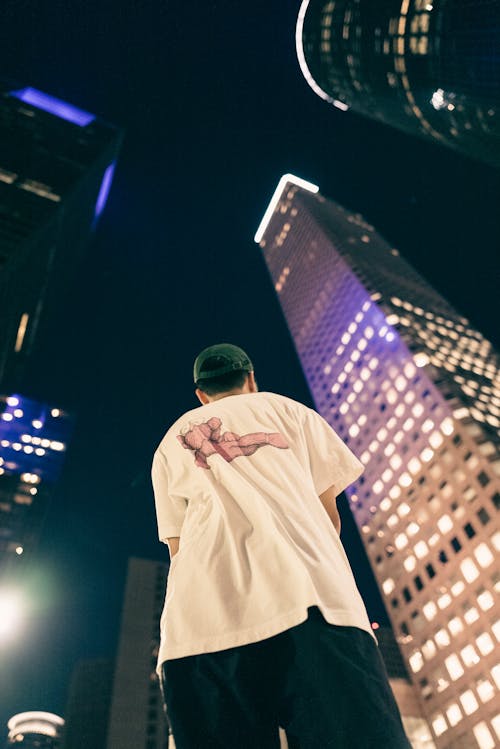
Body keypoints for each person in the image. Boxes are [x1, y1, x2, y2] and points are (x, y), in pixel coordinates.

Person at [152, 343, 411, 749]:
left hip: (200, 625)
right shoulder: (293, 412)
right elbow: (330, 517)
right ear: (251, 379)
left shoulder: (171, 440)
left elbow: (177, 548)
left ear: (201, 394)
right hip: (313, 604)